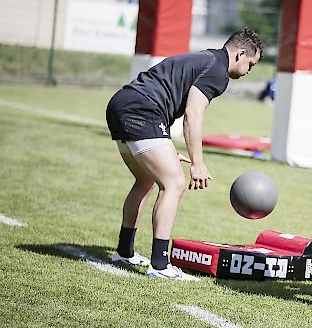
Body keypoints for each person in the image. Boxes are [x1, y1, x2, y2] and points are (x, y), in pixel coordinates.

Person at [105, 28, 263, 279]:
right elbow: (193, 113)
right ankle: (160, 265)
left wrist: (164, 147)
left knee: (145, 181)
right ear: (240, 53)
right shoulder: (218, 70)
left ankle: (125, 252)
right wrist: (197, 163)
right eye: (250, 65)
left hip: (121, 103)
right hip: (142, 110)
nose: (248, 71)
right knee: (174, 183)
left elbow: (166, 91)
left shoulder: (206, 58)